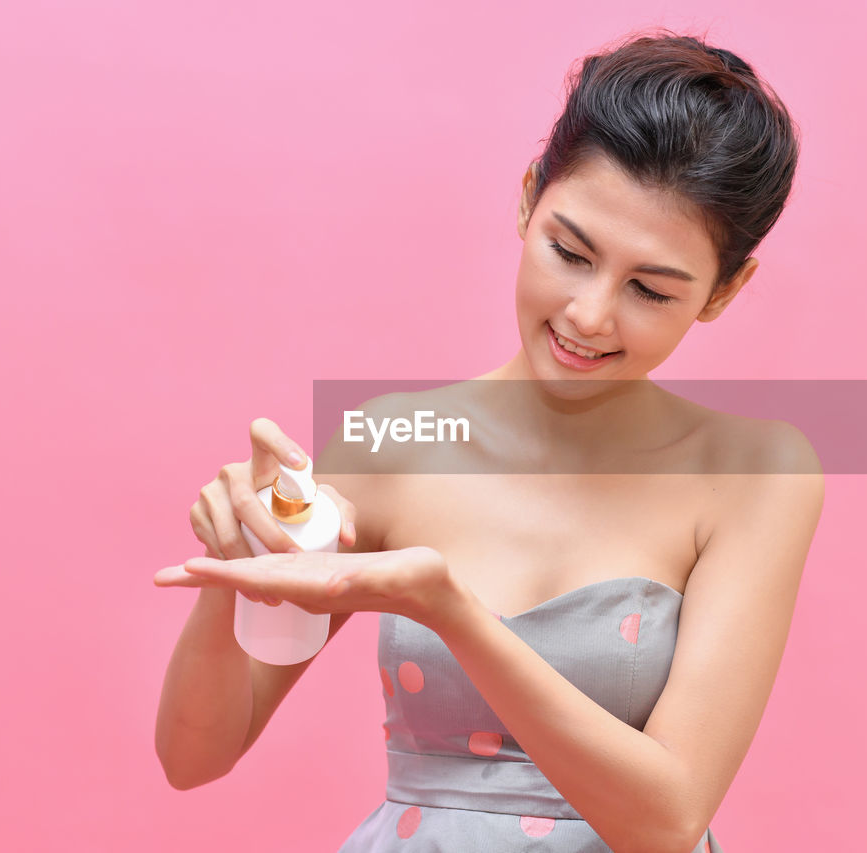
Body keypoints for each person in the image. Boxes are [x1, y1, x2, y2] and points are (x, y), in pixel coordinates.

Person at [154, 29, 823, 853]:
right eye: (569, 252)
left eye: (650, 289)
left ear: (725, 290)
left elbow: (667, 821)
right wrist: (234, 575)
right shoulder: (393, 440)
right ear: (526, 200)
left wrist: (452, 611)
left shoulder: (753, 473)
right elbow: (194, 755)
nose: (589, 315)